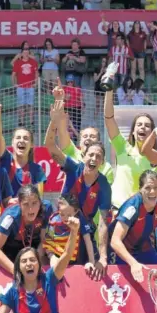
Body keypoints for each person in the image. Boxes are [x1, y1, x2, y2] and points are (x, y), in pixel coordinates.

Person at [46, 97, 111, 273]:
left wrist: (103, 257)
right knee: (56, 271)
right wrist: (54, 121)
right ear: (83, 156)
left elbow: (104, 221)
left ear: (102, 162)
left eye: (98, 156)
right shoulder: (73, 167)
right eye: (91, 155)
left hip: (85, 233)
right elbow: (50, 145)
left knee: (89, 270)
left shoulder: (104, 184)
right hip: (61, 228)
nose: (94, 158)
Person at [109, 170, 157, 280]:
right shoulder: (132, 207)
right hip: (120, 250)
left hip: (143, 248)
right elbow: (115, 241)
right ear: (140, 190)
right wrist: (133, 263)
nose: (152, 192)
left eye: (156, 188)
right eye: (147, 188)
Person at [103, 85, 155, 208]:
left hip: (143, 214)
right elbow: (109, 119)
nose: (143, 127)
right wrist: (109, 90)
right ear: (133, 131)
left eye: (147, 125)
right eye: (139, 125)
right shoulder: (122, 147)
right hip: (118, 210)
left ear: (153, 132)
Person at [0, 96, 46, 197]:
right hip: (4, 211)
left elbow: (39, 198)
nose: (21, 140)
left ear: (32, 144)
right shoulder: (5, 159)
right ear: (12, 142)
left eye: (26, 138)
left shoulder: (37, 170)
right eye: (18, 138)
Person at [0, 185, 53, 274]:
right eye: (26, 204)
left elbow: (44, 239)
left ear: (40, 202)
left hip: (35, 246)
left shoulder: (47, 209)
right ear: (19, 204)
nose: (31, 209)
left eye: (34, 203)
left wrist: (36, 263)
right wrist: (16, 272)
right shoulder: (10, 217)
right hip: (10, 249)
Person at [43, 194, 98, 277]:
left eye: (69, 215)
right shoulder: (54, 220)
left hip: (75, 259)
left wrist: (91, 262)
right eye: (62, 214)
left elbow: (88, 240)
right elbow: (48, 242)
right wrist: (52, 257)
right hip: (58, 258)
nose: (65, 218)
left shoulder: (80, 219)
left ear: (76, 212)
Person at [11, 46, 38, 127]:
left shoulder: (33, 62)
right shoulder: (18, 63)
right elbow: (13, 75)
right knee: (21, 104)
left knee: (31, 104)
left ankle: (31, 121)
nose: (26, 53)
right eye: (24, 52)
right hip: (21, 87)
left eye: (27, 52)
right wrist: (14, 84)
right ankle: (21, 122)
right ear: (21, 53)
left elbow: (36, 73)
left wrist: (36, 83)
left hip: (30, 86)